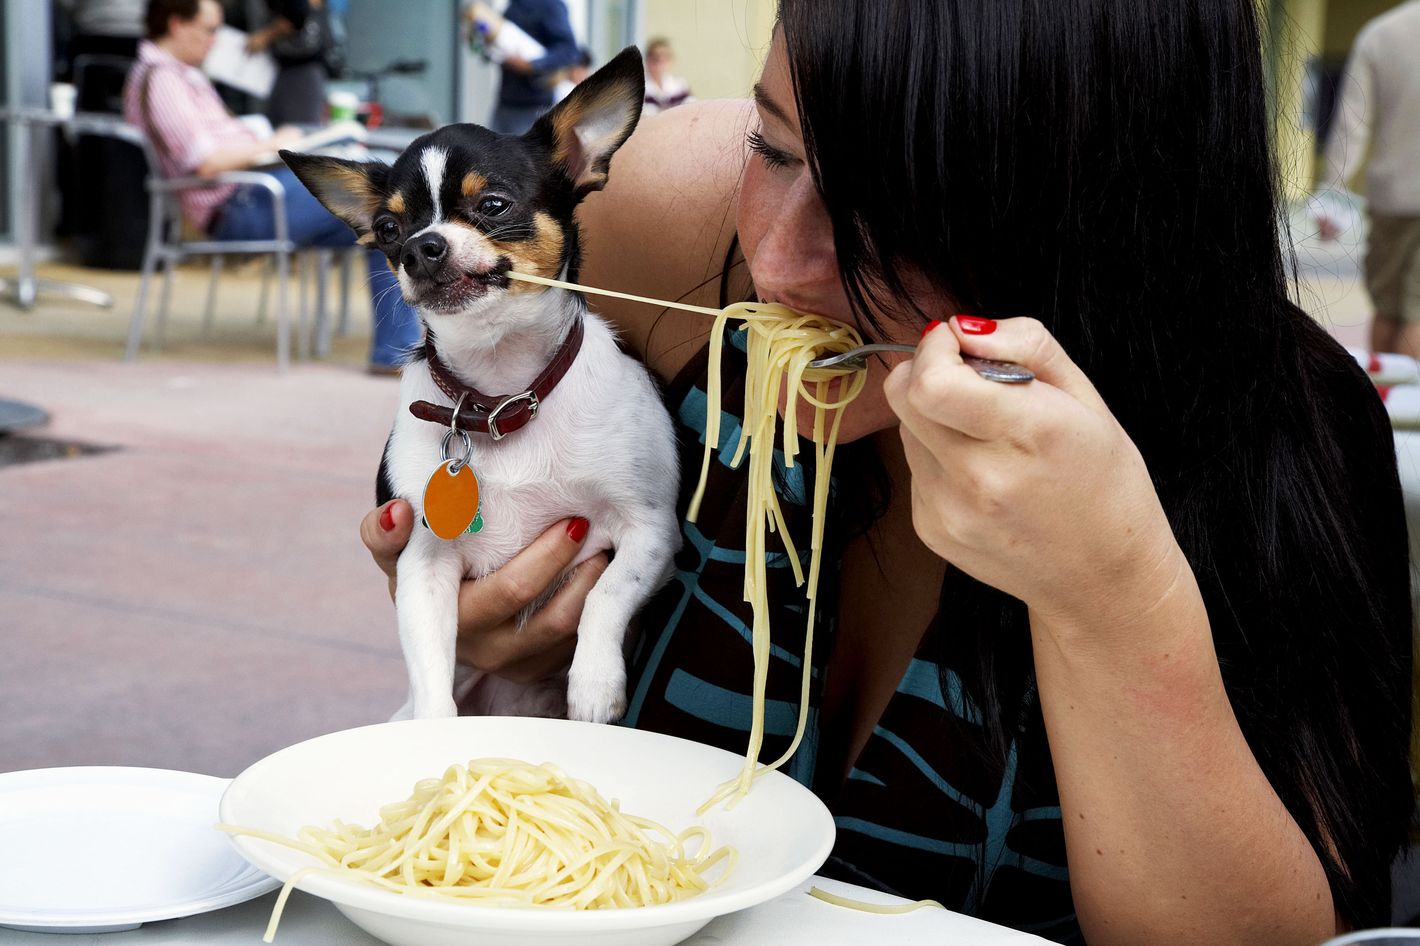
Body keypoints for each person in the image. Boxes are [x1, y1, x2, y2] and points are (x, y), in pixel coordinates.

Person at [361, 1, 1415, 942]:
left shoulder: (1280, 424)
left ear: (1109, 210)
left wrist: (1111, 591)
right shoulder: (667, 223)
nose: (779, 263)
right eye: (772, 149)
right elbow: (453, 400)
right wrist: (480, 576)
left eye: (900, 208)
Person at [124, 0, 421, 373]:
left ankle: (397, 352)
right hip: (239, 206)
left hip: (252, 194)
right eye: (210, 29)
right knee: (386, 205)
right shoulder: (163, 79)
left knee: (388, 216)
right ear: (177, 25)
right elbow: (207, 162)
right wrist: (274, 145)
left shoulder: (178, 75)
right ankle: (398, 354)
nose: (216, 41)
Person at [1315, 0, 1420, 358]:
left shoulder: (1380, 34)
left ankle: (1383, 402)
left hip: (1391, 197)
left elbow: (1350, 126)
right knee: (1417, 312)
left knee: (1387, 309)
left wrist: (1332, 192)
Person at [466, 0, 580, 134]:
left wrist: (531, 65)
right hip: (505, 104)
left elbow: (568, 50)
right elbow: (500, 47)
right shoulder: (514, 5)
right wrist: (484, 42)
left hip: (533, 109)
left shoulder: (550, 5)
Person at [246, 0, 333, 127]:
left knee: (298, 132)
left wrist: (265, 36)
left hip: (302, 68)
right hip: (283, 68)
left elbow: (297, 13)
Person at [641, 37, 690, 116]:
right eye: (656, 57)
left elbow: (690, 110)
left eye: (665, 57)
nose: (660, 61)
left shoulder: (680, 86)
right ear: (647, 59)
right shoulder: (637, 88)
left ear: (671, 60)